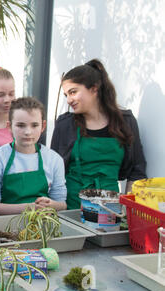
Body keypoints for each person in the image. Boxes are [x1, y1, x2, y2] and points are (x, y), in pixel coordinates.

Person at [51, 59, 147, 210]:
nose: (69, 100)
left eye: (73, 92)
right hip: (72, 208)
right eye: (66, 95)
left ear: (94, 89)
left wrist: (129, 211)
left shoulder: (126, 122)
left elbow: (137, 171)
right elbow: (53, 171)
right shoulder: (65, 124)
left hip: (111, 208)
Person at [0, 97, 67, 214]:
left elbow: (62, 204)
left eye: (34, 125)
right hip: (5, 227)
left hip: (44, 226)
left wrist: (51, 205)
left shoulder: (54, 159)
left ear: (43, 126)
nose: (28, 132)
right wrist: (30, 208)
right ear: (9, 126)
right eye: (21, 125)